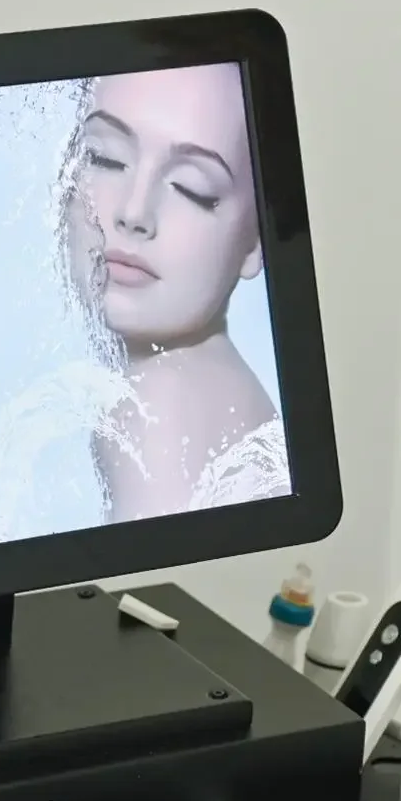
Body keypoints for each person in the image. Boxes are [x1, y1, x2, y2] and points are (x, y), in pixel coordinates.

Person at [59, 63, 291, 522]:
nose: (134, 213)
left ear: (256, 241)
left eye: (191, 189)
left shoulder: (156, 403)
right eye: (105, 159)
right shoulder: (220, 382)